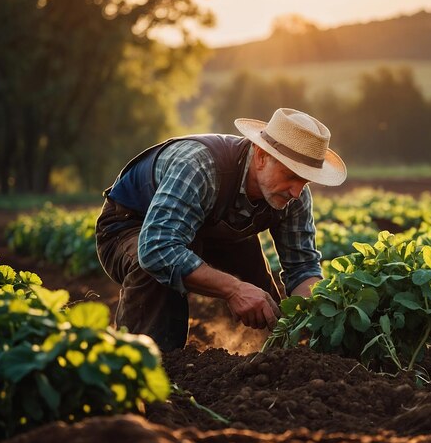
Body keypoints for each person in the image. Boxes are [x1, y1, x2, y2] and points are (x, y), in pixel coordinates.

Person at [95, 108, 347, 352]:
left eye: (305, 181)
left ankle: (264, 362)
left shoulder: (295, 195)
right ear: (261, 157)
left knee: (262, 300)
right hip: (130, 226)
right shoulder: (199, 165)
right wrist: (233, 289)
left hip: (214, 233)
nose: (296, 191)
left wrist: (316, 316)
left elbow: (303, 267)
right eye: (290, 175)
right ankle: (146, 363)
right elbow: (157, 248)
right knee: (154, 267)